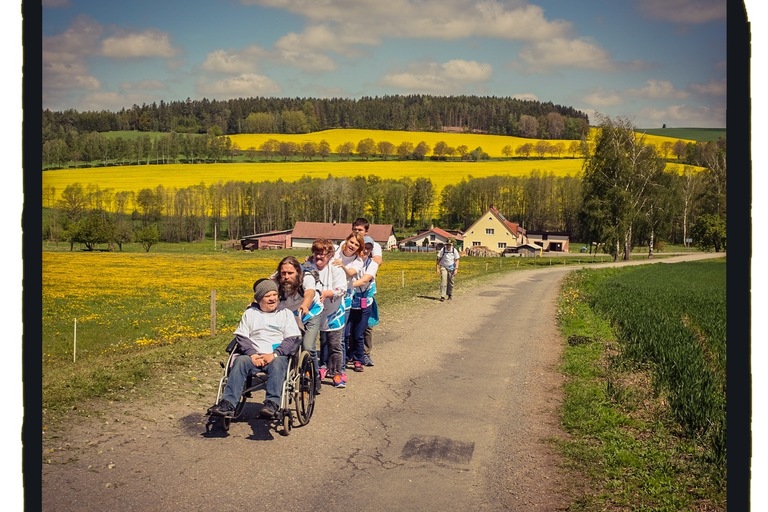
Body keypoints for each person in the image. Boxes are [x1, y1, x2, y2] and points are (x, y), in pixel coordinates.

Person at [208, 278, 302, 419]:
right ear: (259, 299)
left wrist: (274, 355)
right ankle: (228, 403)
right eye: (267, 296)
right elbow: (241, 337)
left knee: (278, 364)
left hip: (276, 356)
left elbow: (290, 340)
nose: (272, 299)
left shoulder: (286, 314)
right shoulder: (250, 313)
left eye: (274, 295)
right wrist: (252, 354)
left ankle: (272, 404)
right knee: (240, 362)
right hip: (253, 356)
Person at [272, 255, 324, 392]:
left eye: (290, 273)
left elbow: (310, 293)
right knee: (290, 345)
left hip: (310, 312)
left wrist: (305, 305)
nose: (286, 276)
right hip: (290, 316)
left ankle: (315, 376)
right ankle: (291, 374)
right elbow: (265, 291)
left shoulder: (306, 277)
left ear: (298, 272)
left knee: (307, 346)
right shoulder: (276, 279)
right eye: (283, 273)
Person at [306, 238, 349, 389]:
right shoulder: (307, 265)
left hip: (333, 311)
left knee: (334, 344)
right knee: (313, 343)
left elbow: (342, 289)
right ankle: (314, 371)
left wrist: (327, 293)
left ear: (330, 254)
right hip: (313, 310)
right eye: (316, 253)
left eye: (322, 254)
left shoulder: (336, 267)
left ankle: (337, 373)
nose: (318, 257)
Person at [351, 217, 382, 366]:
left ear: (366, 231)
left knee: (367, 325)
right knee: (350, 323)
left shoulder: (373, 246)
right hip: (352, 292)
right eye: (355, 229)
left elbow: (377, 259)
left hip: (366, 290)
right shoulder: (350, 243)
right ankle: (352, 352)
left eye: (360, 230)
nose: (357, 232)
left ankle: (365, 352)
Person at [332, 231, 365, 367]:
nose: (352, 246)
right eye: (351, 242)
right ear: (346, 241)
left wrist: (342, 266)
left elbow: (351, 273)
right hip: (330, 295)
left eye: (356, 245)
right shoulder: (336, 250)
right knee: (326, 333)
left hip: (345, 299)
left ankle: (341, 365)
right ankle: (326, 364)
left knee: (342, 334)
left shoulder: (358, 261)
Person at [346, 236, 379, 372]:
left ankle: (359, 359)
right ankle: (347, 356)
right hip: (350, 301)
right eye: (364, 247)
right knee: (347, 333)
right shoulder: (352, 262)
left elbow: (365, 280)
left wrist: (344, 286)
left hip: (365, 302)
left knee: (359, 333)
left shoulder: (372, 264)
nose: (365, 251)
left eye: (369, 248)